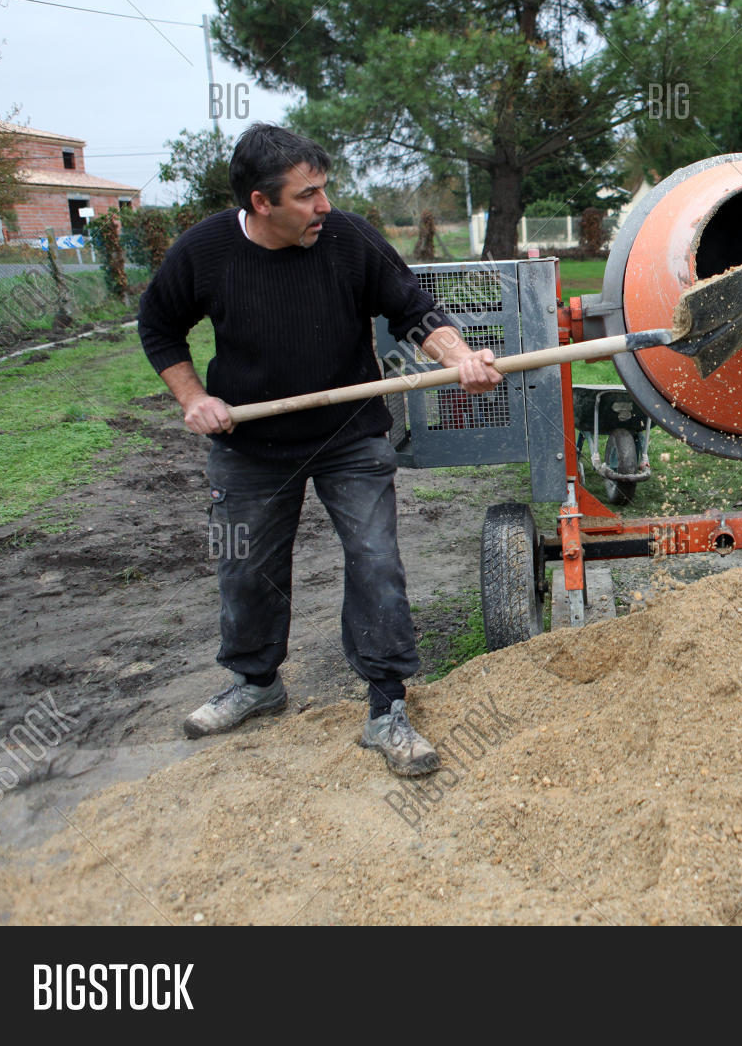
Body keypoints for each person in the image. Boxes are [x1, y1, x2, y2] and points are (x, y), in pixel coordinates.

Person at [138, 123, 502, 777]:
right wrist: (193, 398)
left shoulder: (347, 238)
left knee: (376, 565)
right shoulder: (206, 252)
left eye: (324, 189)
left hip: (348, 438)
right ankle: (255, 683)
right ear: (260, 203)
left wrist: (460, 356)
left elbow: (412, 309)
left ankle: (387, 707)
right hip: (246, 446)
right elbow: (159, 326)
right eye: (307, 195)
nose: (324, 206)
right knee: (245, 570)